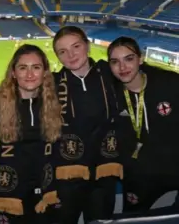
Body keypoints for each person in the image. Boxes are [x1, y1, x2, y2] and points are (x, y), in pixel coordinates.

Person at [51, 26, 122, 223]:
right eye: (62, 51)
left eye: (76, 46)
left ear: (87, 46)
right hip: (65, 178)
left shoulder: (111, 74)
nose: (71, 55)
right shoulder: (51, 84)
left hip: (103, 174)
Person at [107, 36, 179, 216]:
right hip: (138, 176)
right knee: (133, 217)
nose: (122, 67)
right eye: (115, 62)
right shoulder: (110, 94)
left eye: (129, 59)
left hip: (174, 166)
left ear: (141, 59)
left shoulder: (170, 83)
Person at [0, 44, 62, 224]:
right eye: (23, 68)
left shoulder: (57, 103)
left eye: (36, 67)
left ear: (45, 72)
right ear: (13, 72)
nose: (29, 74)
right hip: (11, 197)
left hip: (46, 195)